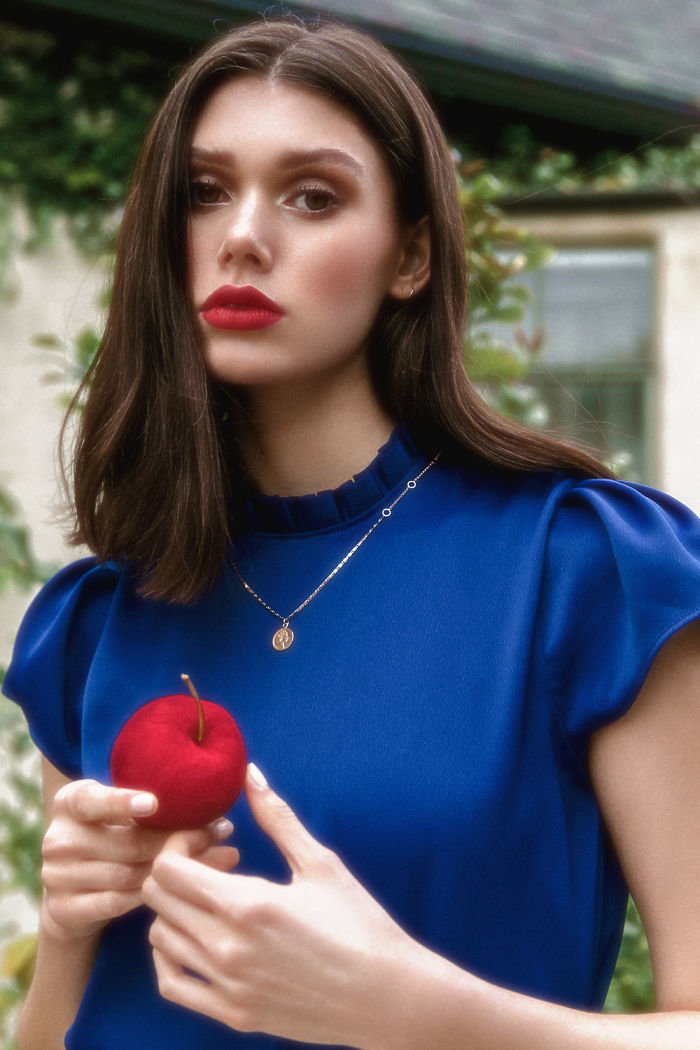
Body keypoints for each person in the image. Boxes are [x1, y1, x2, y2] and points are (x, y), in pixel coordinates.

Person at [4, 14, 700, 1050]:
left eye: (312, 197)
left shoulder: (587, 573)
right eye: (203, 191)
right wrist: (67, 934)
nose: (243, 236)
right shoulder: (97, 624)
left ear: (410, 256)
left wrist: (416, 1012)